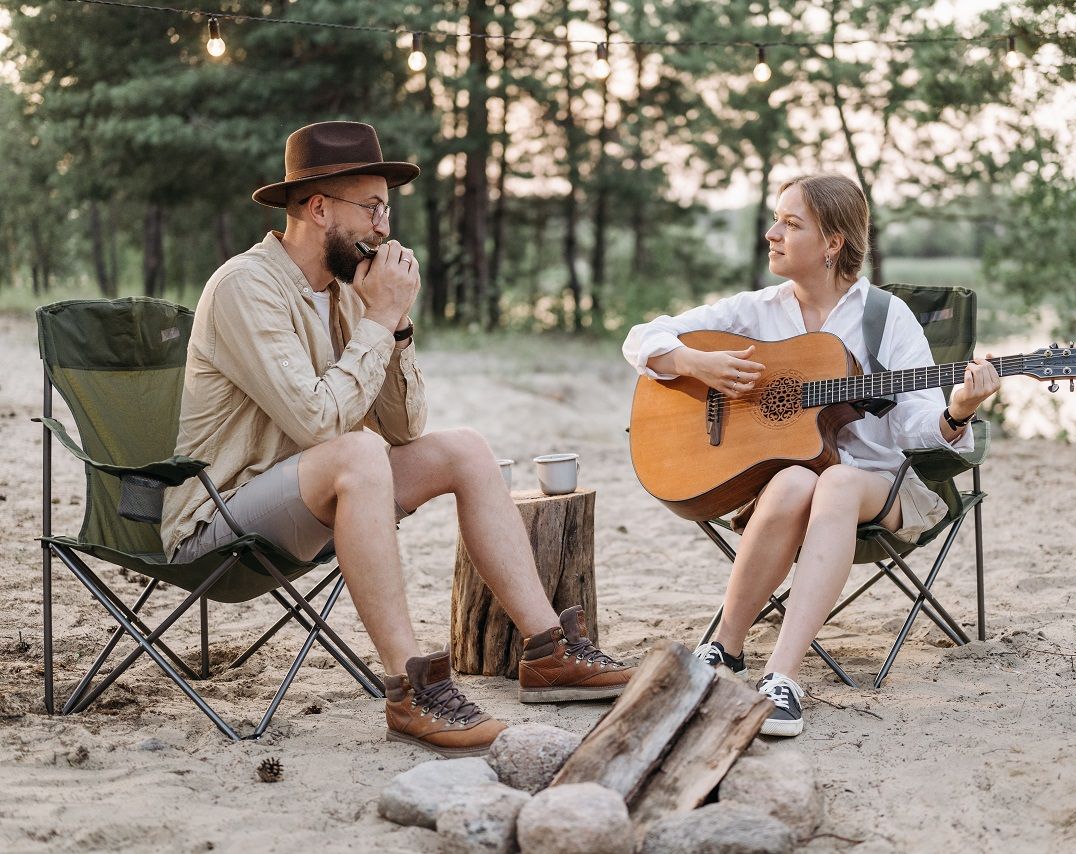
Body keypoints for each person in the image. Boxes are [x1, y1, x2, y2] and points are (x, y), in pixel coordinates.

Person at [162, 121, 631, 757]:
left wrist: (396, 324)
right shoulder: (247, 286)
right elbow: (320, 425)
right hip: (219, 521)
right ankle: (412, 689)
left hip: (312, 502)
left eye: (387, 209)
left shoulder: (349, 291)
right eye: (373, 207)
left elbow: (406, 428)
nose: (385, 227)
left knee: (463, 446)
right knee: (357, 451)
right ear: (318, 208)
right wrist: (379, 318)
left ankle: (549, 650)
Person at [622, 174, 999, 737]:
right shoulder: (757, 312)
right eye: (777, 220)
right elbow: (642, 337)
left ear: (833, 243)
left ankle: (783, 678)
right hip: (789, 490)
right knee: (798, 480)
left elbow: (915, 424)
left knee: (836, 482)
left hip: (881, 487)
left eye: (791, 224)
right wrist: (697, 365)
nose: (772, 234)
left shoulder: (885, 317)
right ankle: (725, 648)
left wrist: (959, 411)